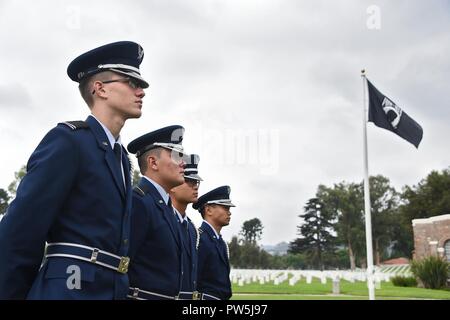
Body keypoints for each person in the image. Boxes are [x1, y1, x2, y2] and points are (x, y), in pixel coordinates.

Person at [0, 41, 148, 299]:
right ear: (99, 89)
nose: (142, 91)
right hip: (68, 290)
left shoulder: (122, 159)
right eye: (131, 82)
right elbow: (20, 230)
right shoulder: (69, 141)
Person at [126, 125, 188, 300]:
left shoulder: (165, 207)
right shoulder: (139, 202)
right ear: (153, 162)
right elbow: (121, 266)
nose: (183, 162)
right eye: (176, 155)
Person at [193, 185, 235, 300]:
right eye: (225, 208)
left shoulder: (221, 243)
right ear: (209, 210)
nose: (229, 213)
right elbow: (194, 279)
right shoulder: (199, 238)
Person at [169, 154, 202, 299]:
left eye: (196, 182)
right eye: (189, 181)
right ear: (174, 186)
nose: (195, 186)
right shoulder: (165, 219)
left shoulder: (192, 230)